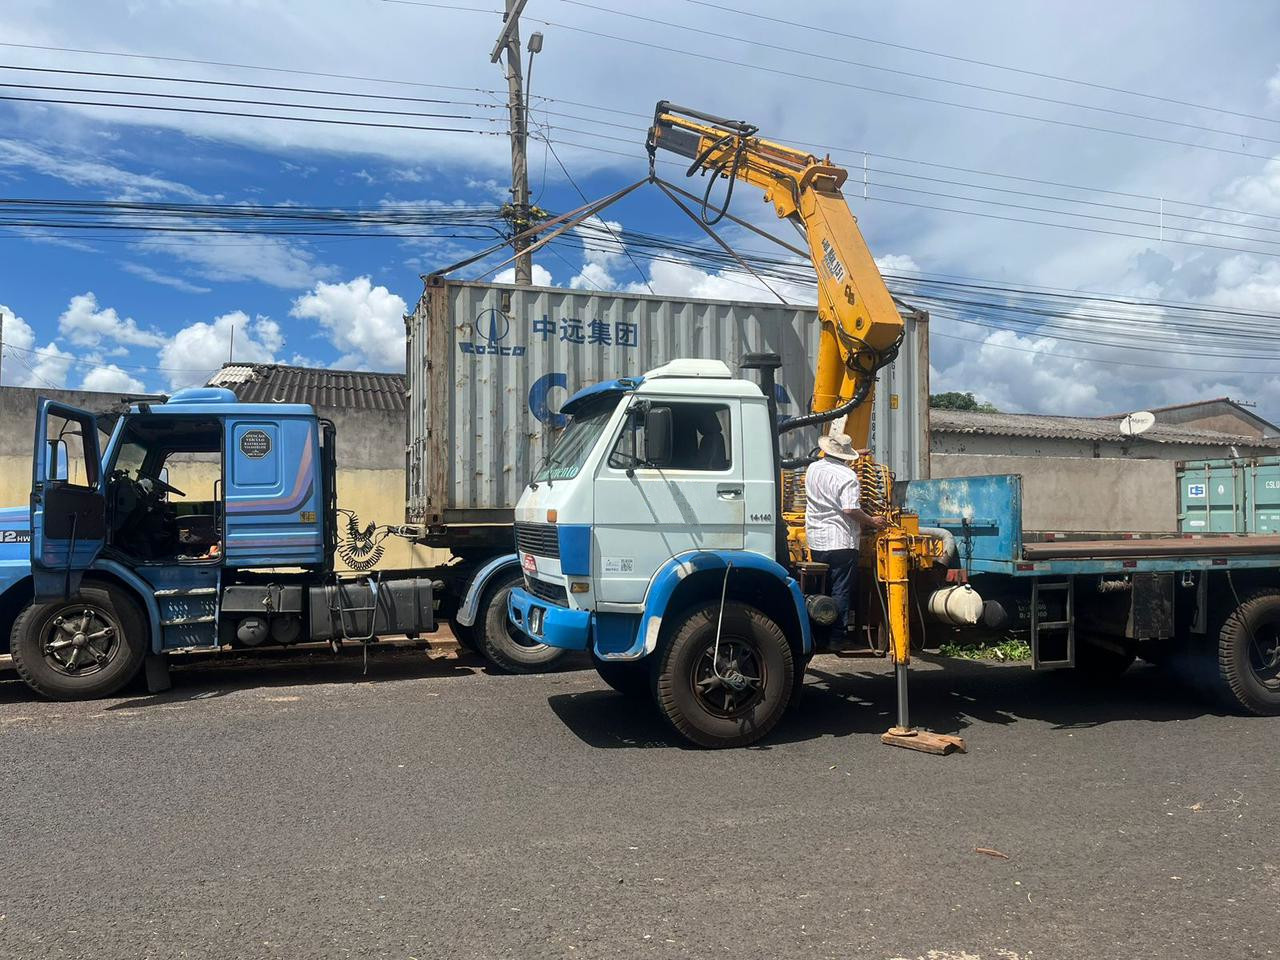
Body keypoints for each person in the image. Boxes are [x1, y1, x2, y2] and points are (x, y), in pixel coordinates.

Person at [804, 433, 887, 639]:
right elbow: (850, 509)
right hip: (840, 540)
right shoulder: (848, 476)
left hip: (816, 539)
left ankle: (819, 634)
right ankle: (836, 636)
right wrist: (873, 521)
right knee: (840, 590)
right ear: (846, 455)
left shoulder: (813, 468)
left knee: (822, 589)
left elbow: (831, 463)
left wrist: (853, 455)